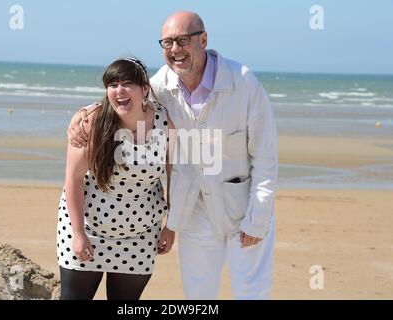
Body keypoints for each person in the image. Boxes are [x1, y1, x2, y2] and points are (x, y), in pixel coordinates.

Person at [68, 11, 278, 300]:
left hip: (243, 205)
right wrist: (83, 114)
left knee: (252, 292)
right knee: (198, 295)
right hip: (193, 210)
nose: (175, 50)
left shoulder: (243, 82)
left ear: (203, 40)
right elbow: (124, 99)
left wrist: (258, 218)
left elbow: (265, 158)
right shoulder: (161, 84)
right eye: (167, 43)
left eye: (182, 40)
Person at [57, 57, 176, 300]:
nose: (119, 91)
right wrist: (79, 233)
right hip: (89, 230)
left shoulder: (164, 121)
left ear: (144, 89)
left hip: (141, 235)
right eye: (112, 85)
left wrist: (171, 225)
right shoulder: (92, 121)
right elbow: (74, 178)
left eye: (127, 84)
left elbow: (175, 176)